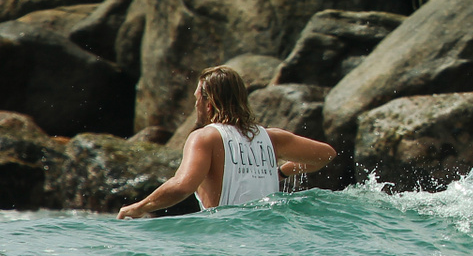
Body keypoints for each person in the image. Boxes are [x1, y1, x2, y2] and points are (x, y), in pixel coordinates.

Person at [117, 65, 337, 219]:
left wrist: (139, 207)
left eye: (197, 99)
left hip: (227, 236)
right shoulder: (272, 138)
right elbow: (325, 155)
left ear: (209, 104)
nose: (195, 105)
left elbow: (183, 186)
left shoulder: (205, 137)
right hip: (269, 232)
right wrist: (282, 172)